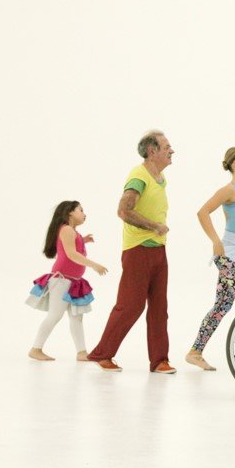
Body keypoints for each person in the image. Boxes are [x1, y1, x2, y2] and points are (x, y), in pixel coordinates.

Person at [87, 130, 176, 373]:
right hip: (138, 250)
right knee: (131, 305)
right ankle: (102, 354)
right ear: (152, 151)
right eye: (166, 147)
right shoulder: (139, 176)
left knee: (159, 308)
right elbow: (123, 211)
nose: (172, 151)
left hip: (158, 249)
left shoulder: (160, 178)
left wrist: (158, 232)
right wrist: (153, 226)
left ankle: (160, 360)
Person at [187, 147, 235, 370]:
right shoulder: (228, 191)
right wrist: (215, 240)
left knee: (221, 306)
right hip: (229, 253)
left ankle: (194, 352)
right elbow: (202, 212)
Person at [26, 201, 108, 361]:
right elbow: (71, 254)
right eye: (81, 210)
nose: (84, 214)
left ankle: (81, 352)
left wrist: (83, 240)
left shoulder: (72, 232)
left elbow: (72, 244)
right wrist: (94, 265)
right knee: (55, 315)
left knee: (76, 317)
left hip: (73, 282)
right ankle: (35, 349)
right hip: (62, 280)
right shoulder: (67, 230)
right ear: (70, 212)